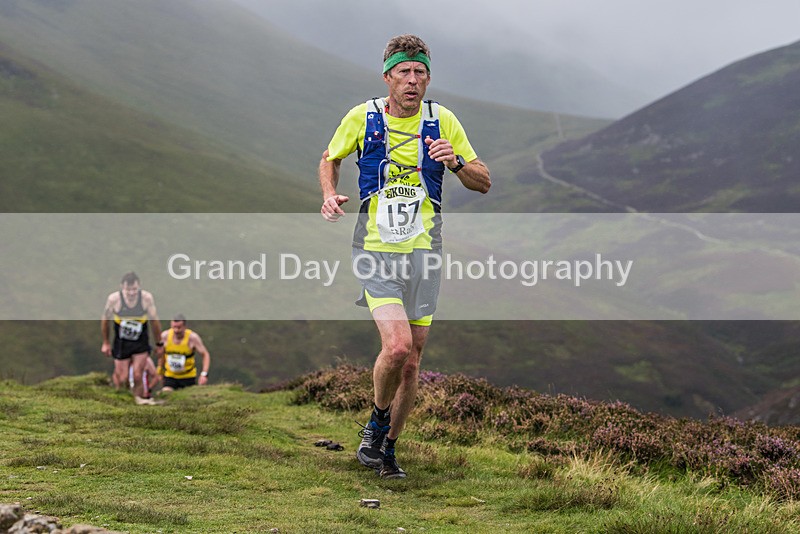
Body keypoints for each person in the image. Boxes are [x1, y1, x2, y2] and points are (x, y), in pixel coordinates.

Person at [319, 34, 490, 479]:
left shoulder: (443, 121)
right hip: (375, 249)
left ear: (428, 78)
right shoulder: (364, 116)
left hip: (424, 253)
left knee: (412, 360)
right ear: (388, 77)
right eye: (404, 73)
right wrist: (327, 194)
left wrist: (455, 163)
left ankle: (388, 449)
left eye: (420, 73)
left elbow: (484, 180)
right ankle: (376, 423)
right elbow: (330, 157)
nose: (413, 81)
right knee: (395, 347)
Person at [101, 272, 162, 405]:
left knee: (137, 375)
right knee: (122, 378)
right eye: (128, 290)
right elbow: (105, 320)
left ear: (139, 287)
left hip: (140, 343)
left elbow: (154, 321)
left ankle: (138, 402)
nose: (131, 293)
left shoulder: (146, 298)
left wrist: (159, 343)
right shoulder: (113, 299)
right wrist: (105, 342)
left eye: (134, 289)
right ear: (122, 287)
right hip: (121, 343)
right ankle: (123, 402)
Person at [155, 314, 211, 391]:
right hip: (170, 376)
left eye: (179, 328)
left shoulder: (192, 338)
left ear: (184, 327)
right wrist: (159, 371)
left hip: (188, 376)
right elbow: (161, 355)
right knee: (166, 393)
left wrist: (204, 374)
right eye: (174, 327)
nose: (176, 330)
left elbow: (205, 354)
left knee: (188, 397)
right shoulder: (165, 336)